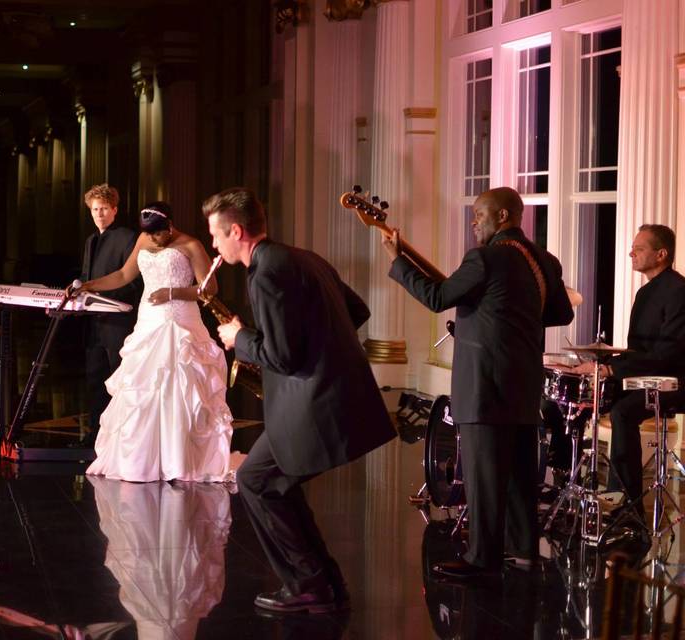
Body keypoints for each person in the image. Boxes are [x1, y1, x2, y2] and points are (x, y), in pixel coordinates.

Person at [206, 187, 395, 614]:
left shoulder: (267, 271)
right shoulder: (302, 257)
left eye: (216, 236)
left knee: (255, 481)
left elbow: (282, 355)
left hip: (311, 405)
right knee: (273, 484)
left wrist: (241, 338)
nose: (214, 246)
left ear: (236, 232)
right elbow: (357, 310)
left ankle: (310, 584)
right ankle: (322, 582)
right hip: (328, 397)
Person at [382, 186, 574, 579]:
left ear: (502, 217)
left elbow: (437, 297)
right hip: (523, 383)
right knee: (522, 475)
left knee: (484, 475)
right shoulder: (544, 260)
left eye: (479, 216)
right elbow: (561, 313)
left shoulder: (484, 259)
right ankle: (525, 553)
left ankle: (481, 560)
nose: (473, 223)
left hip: (484, 385)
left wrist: (398, 261)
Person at [74, 201, 233, 482]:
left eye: (159, 233)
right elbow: (124, 275)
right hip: (149, 322)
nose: (156, 240)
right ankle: (141, 460)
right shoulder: (144, 239)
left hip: (179, 323)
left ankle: (179, 458)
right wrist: (89, 285)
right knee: (142, 391)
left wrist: (172, 292)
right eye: (151, 234)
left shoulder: (191, 245)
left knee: (178, 388)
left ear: (170, 225)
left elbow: (209, 289)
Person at [570, 224, 685, 511]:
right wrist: (603, 363)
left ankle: (625, 501)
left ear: (661, 254)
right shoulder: (645, 293)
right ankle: (567, 481)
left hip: (675, 380)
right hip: (647, 376)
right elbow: (639, 352)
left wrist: (612, 369)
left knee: (623, 411)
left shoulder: (679, 291)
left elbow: (667, 354)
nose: (631, 253)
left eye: (640, 248)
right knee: (583, 399)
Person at [77, 184, 142, 449]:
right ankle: (96, 434)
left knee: (119, 378)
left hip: (118, 322)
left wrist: (105, 296)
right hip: (94, 322)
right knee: (95, 379)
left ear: (114, 210)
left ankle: (122, 437)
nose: (99, 214)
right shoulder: (91, 240)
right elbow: (86, 277)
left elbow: (132, 280)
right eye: (94, 209)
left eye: (104, 208)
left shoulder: (127, 237)